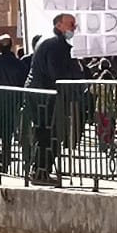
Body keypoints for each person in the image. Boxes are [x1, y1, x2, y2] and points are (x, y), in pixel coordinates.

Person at [24, 14, 82, 184]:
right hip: (45, 92)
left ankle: (40, 170)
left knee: (44, 131)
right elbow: (56, 71)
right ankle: (40, 171)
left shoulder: (49, 40)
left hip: (39, 90)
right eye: (71, 24)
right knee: (47, 133)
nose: (74, 27)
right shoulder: (56, 44)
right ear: (59, 25)